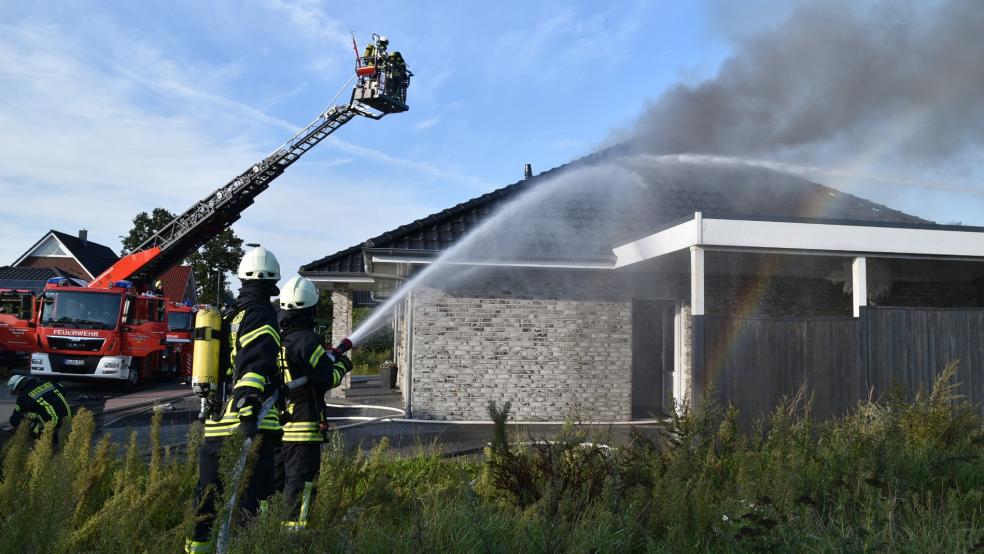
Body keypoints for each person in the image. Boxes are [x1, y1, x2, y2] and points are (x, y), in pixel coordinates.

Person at [187, 246, 284, 553]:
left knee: (207, 497)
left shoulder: (231, 314)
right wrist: (249, 410)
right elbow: (254, 364)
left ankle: (196, 548)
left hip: (216, 419)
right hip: (246, 423)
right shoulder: (261, 314)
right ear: (271, 282)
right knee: (251, 500)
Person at [275, 276, 352, 529]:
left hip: (277, 427)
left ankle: (266, 533)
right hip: (303, 427)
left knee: (275, 485)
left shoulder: (275, 338)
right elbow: (325, 378)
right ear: (311, 308)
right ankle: (295, 537)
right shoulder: (307, 340)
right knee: (301, 486)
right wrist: (342, 363)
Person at [7, 374, 71, 442]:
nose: (17, 394)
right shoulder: (47, 382)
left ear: (18, 388)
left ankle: (41, 436)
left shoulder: (23, 397)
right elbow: (63, 391)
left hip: (52, 423)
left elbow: (14, 417)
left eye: (15, 393)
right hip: (68, 416)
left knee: (24, 418)